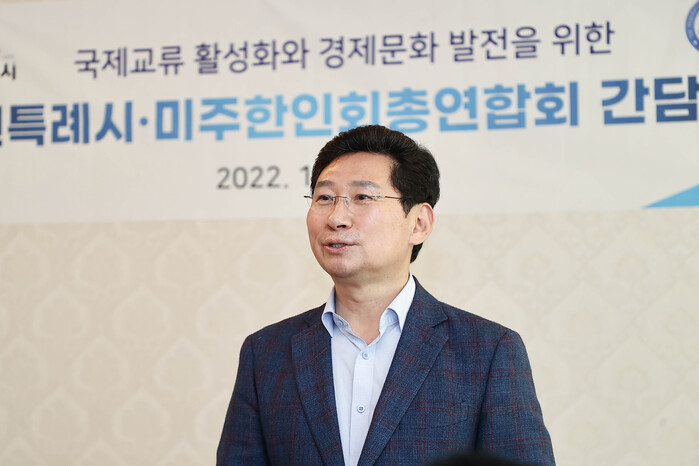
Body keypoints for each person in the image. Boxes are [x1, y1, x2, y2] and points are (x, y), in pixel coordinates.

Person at [217, 125, 555, 466]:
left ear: (419, 223)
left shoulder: (487, 351)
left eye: (362, 197)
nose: (337, 217)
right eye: (324, 198)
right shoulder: (266, 353)